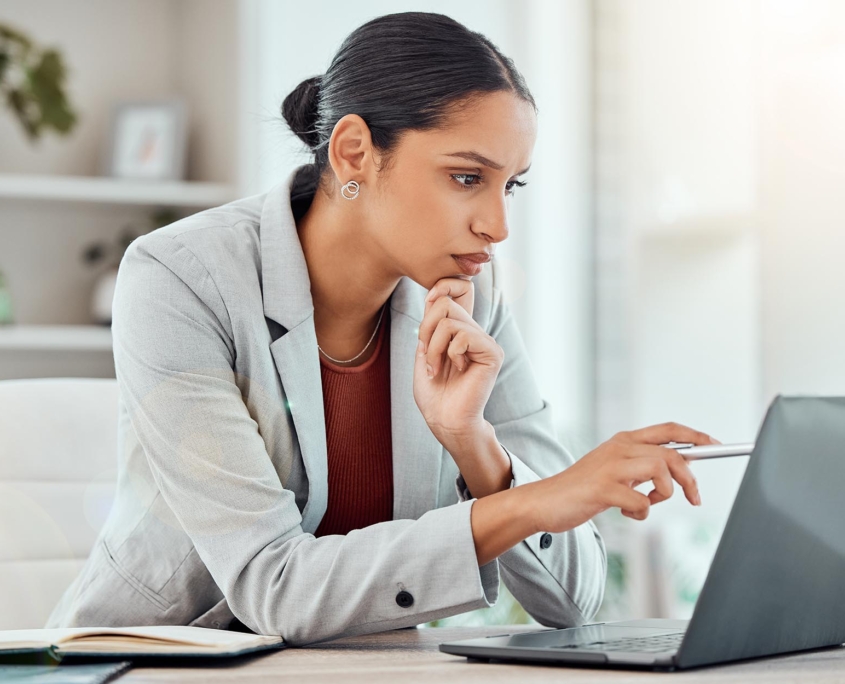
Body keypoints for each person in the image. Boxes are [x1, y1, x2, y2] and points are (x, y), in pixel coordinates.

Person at [46, 11, 717, 645]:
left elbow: (572, 602)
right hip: (155, 661)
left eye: (510, 185)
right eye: (466, 177)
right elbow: (271, 585)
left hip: (367, 665)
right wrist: (532, 503)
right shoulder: (180, 277)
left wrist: (476, 446)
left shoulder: (472, 295)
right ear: (354, 153)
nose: (497, 225)